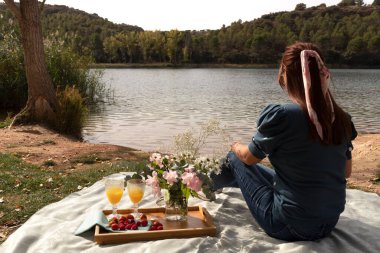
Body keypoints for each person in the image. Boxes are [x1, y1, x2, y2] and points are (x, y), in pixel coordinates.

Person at [211, 42, 357, 241]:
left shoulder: (284, 115)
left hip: (287, 225)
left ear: (286, 73)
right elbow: (345, 172)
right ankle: (215, 184)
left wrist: (235, 145)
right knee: (271, 174)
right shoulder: (341, 118)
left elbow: (249, 158)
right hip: (328, 223)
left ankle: (204, 186)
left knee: (234, 158)